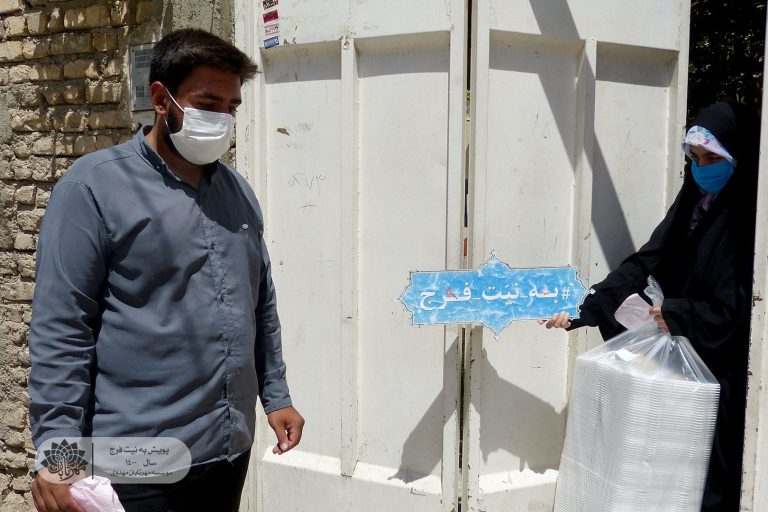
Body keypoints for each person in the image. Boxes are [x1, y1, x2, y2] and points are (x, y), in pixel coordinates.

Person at [28, 28, 304, 512]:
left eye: (231, 108)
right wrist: (60, 453)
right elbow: (62, 329)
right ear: (161, 99)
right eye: (207, 104)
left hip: (226, 449)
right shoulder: (92, 189)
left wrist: (276, 395)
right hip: (135, 457)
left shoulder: (237, 193)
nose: (221, 119)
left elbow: (259, 302)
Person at [542, 101, 760, 512]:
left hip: (723, 378)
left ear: (740, 158)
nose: (702, 169)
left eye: (713, 159)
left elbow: (742, 311)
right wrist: (584, 306)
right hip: (679, 373)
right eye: (695, 159)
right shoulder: (693, 204)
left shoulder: (750, 224)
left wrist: (678, 313)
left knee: (710, 481)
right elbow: (648, 260)